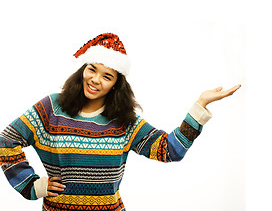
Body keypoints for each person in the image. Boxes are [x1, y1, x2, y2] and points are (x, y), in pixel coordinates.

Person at [0, 33, 241, 211]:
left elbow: (170, 150)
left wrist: (199, 106)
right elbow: (6, 140)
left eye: (107, 76)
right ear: (82, 69)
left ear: (116, 83)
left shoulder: (124, 120)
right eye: (91, 70)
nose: (95, 80)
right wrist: (32, 186)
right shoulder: (51, 108)